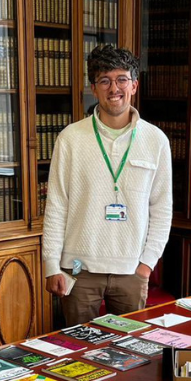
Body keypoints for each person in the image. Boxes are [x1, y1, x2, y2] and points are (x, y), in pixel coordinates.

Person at [42, 45, 173, 325]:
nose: (114, 88)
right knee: (78, 356)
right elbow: (56, 206)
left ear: (134, 85)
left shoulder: (156, 140)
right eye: (105, 80)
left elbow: (162, 209)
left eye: (121, 79)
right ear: (94, 88)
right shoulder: (70, 138)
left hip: (131, 271)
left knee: (131, 356)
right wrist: (51, 265)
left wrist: (147, 264)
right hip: (78, 270)